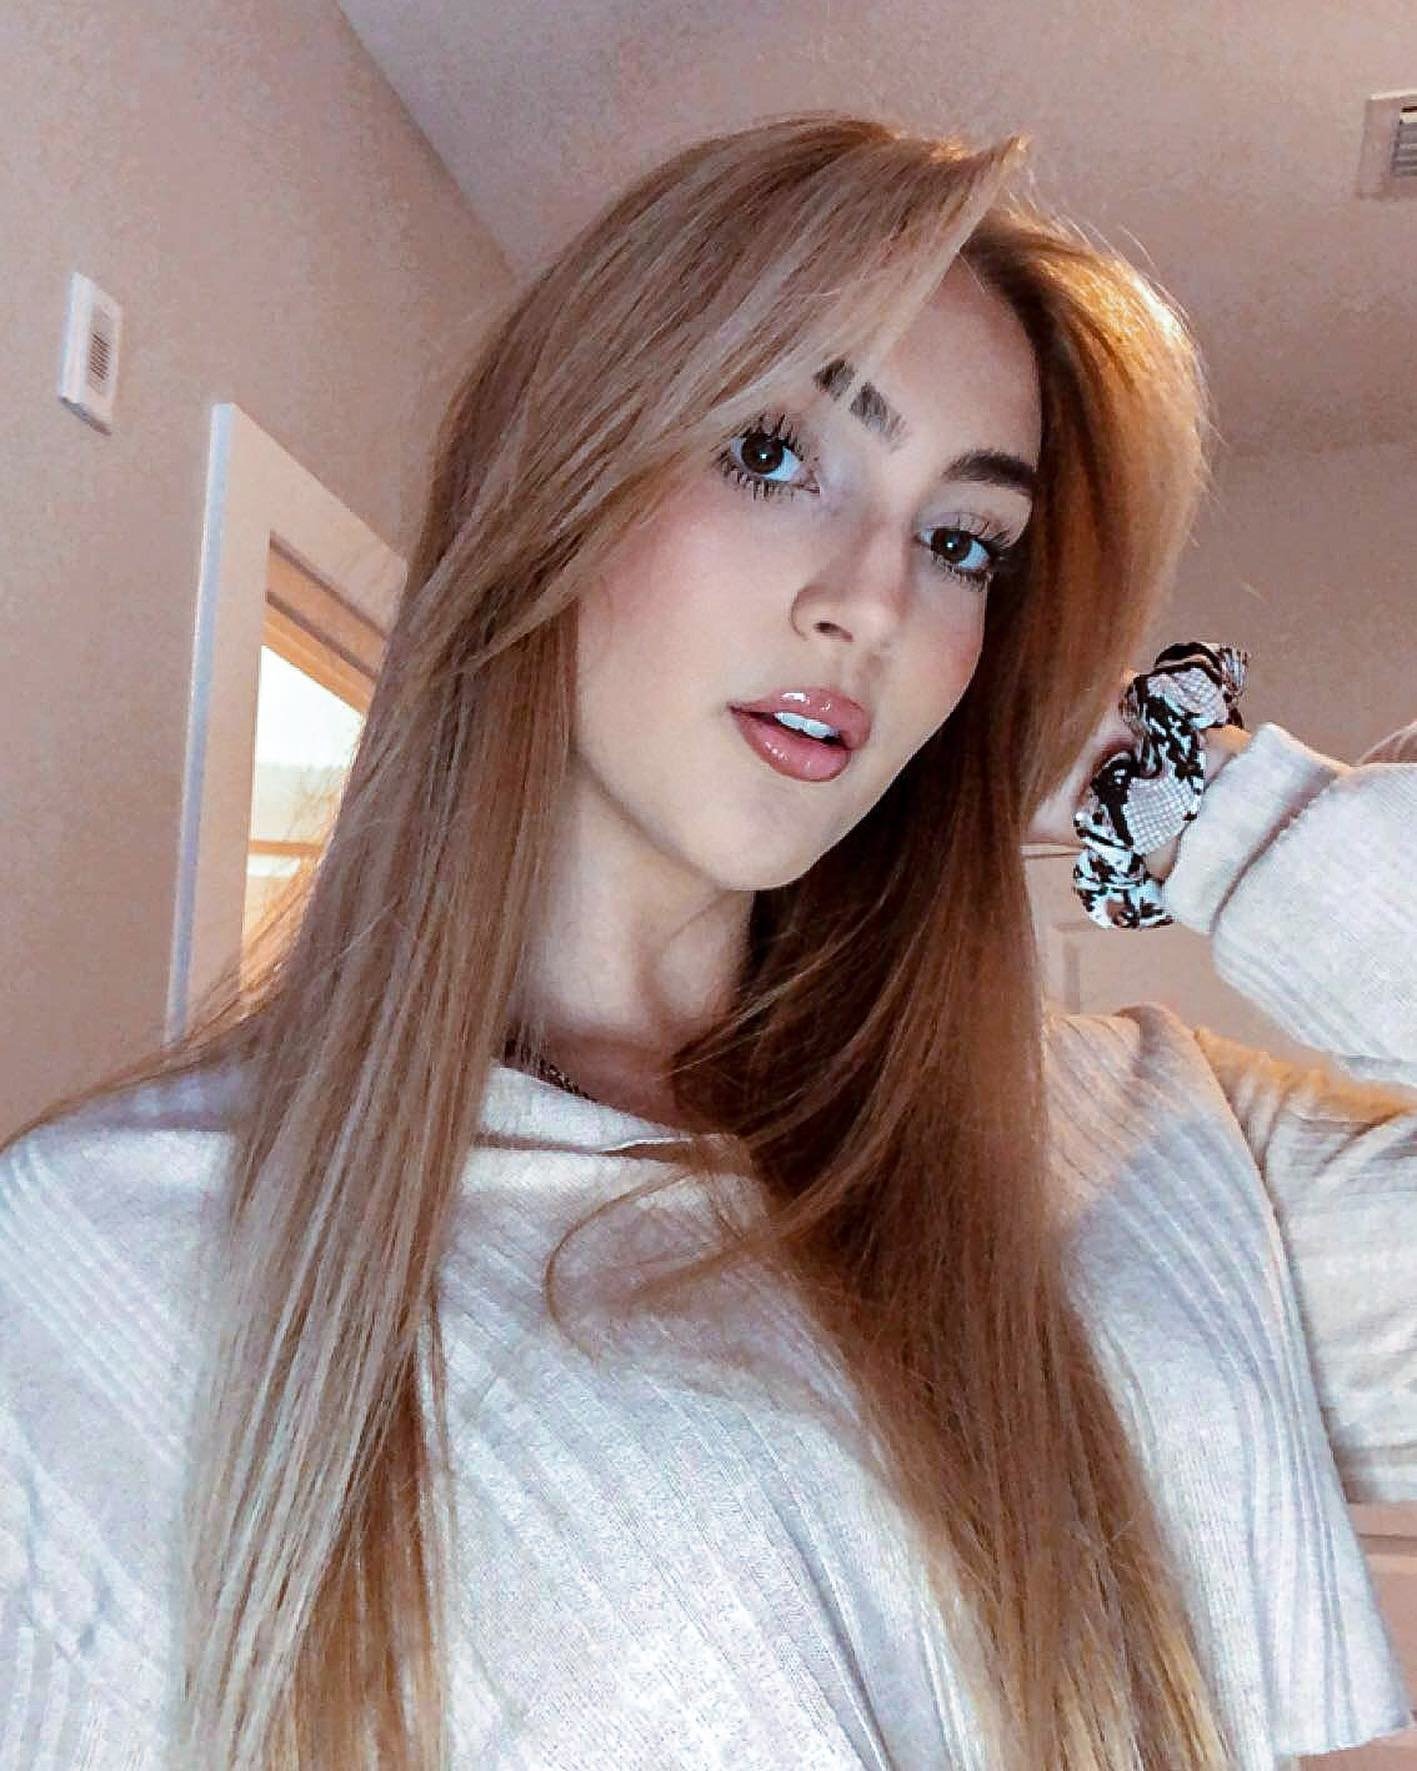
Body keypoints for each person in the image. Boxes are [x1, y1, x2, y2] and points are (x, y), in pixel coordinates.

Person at [0, 111, 1413, 1771]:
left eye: (961, 542)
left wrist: (1204, 803)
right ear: (559, 484)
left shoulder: (1142, 1152)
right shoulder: (129, 1238)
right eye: (771, 455)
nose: (872, 600)